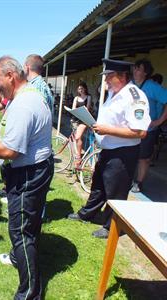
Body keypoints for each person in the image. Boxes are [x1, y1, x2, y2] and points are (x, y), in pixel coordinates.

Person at [0, 56, 54, 300]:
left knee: (20, 232)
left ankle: (29, 293)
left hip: (28, 173)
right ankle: (19, 259)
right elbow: (12, 133)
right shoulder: (26, 98)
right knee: (29, 226)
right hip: (35, 169)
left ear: (10, 76)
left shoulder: (24, 104)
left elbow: (10, 151)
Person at [68, 58, 151, 239]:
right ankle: (87, 214)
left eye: (109, 76)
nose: (105, 80)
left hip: (123, 153)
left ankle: (111, 226)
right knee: (98, 185)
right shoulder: (114, 92)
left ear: (122, 76)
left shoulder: (135, 97)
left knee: (116, 191)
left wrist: (106, 130)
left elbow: (140, 132)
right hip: (108, 150)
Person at [131, 59, 167, 193]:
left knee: (143, 158)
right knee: (129, 155)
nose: (135, 71)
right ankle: (129, 178)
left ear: (145, 72)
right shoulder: (130, 85)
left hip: (148, 129)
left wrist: (159, 121)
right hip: (130, 129)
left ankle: (138, 183)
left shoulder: (153, 87)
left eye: (138, 69)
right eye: (134, 68)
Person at [71, 82, 92, 167]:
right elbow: (73, 108)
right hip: (76, 118)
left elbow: (87, 108)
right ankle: (78, 153)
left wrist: (81, 112)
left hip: (84, 119)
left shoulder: (88, 97)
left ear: (85, 89)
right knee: (76, 138)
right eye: (79, 89)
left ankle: (78, 157)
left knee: (78, 136)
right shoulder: (76, 98)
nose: (80, 90)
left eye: (82, 88)